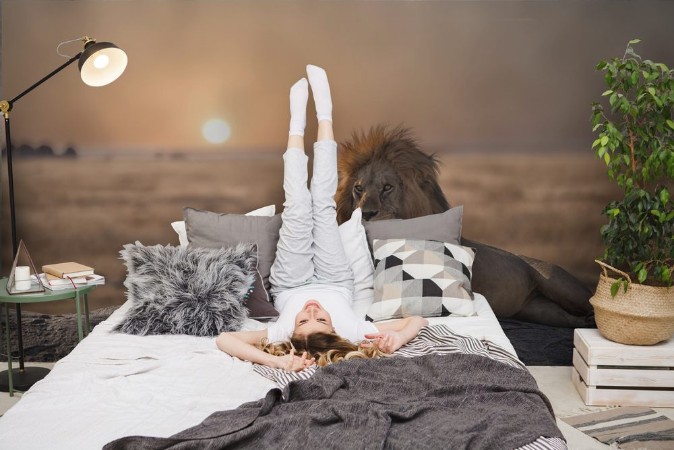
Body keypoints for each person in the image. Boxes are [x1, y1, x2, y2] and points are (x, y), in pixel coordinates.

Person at [216, 65, 428, 372]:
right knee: (323, 205)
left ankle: (296, 125)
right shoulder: (355, 332)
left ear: (292, 331)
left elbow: (225, 339)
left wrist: (274, 360)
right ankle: (325, 113)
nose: (312, 311)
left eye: (303, 319)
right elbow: (417, 320)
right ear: (335, 330)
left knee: (298, 205)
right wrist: (399, 338)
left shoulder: (281, 333)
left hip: (290, 283)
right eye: (322, 319)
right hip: (337, 280)